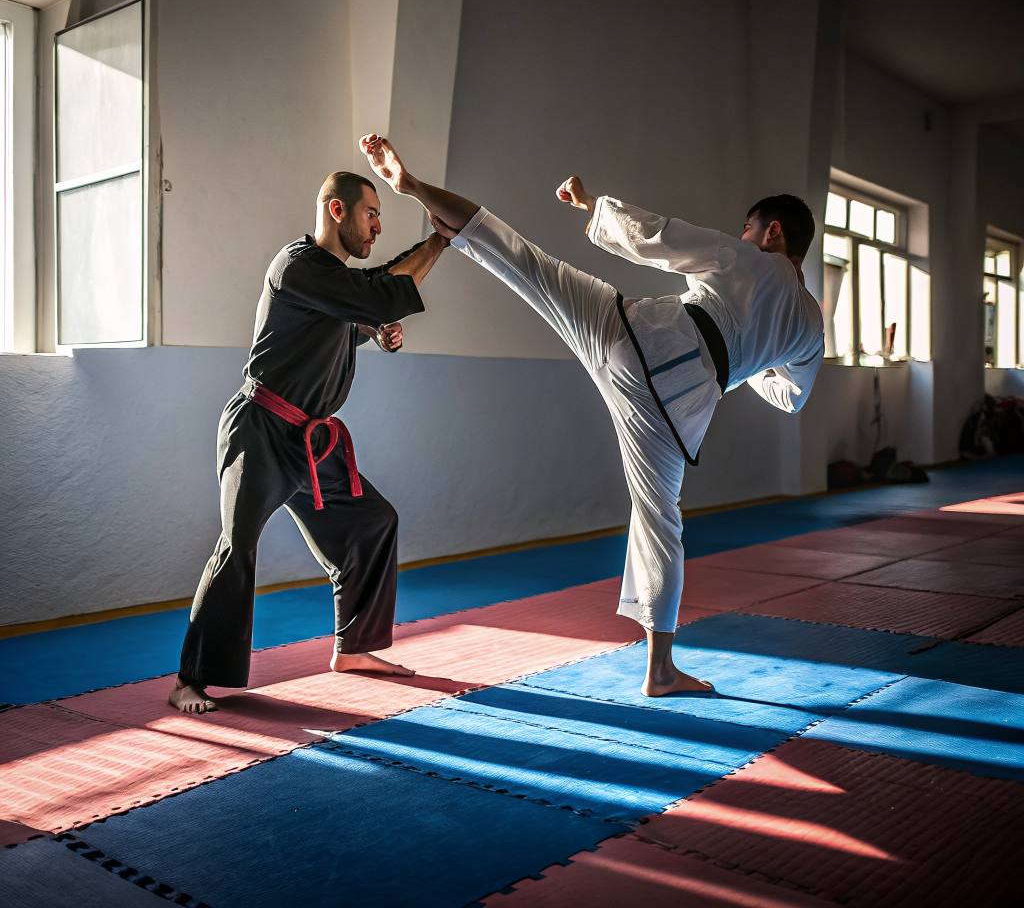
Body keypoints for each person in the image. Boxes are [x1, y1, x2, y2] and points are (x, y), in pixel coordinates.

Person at [360, 133, 824, 697]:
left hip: (638, 340)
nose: (746, 235)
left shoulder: (753, 260)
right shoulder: (809, 326)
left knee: (522, 260)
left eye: (750, 228)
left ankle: (414, 189)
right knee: (660, 522)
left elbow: (662, 238)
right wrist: (750, 359)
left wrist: (592, 209)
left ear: (771, 232)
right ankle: (661, 670)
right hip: (681, 407)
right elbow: (792, 398)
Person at [170, 170, 448, 713]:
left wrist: (373, 330)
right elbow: (378, 292)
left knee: (373, 521)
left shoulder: (333, 283)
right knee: (237, 544)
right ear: (337, 211)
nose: (377, 226)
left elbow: (351, 315)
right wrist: (440, 239)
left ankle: (355, 648)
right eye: (371, 214)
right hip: (261, 428)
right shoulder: (298, 266)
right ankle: (189, 679)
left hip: (311, 442)